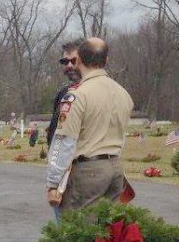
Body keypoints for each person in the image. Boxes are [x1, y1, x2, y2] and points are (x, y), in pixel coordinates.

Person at [45, 37, 132, 214]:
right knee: (108, 230)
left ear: (80, 61)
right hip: (115, 168)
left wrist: (53, 183)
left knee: (79, 232)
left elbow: (64, 141)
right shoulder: (123, 93)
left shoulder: (77, 96)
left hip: (87, 170)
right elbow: (122, 137)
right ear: (105, 60)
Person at [46, 40, 83, 146]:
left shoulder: (96, 90)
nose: (69, 65)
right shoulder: (63, 94)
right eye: (65, 62)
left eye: (74, 60)